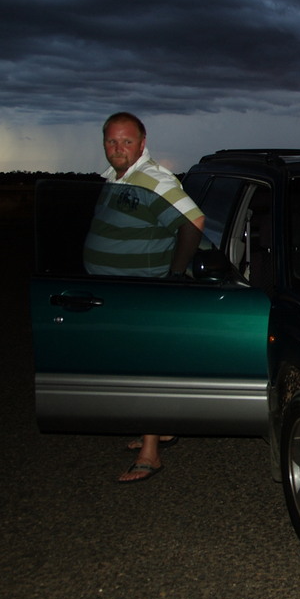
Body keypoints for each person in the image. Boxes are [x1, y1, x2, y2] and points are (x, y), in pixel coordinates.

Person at [83, 111, 205, 483]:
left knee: (144, 367)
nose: (118, 149)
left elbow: (193, 222)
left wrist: (174, 275)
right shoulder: (115, 178)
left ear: (142, 142)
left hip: (143, 289)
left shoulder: (152, 179)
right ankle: (158, 428)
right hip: (117, 291)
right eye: (112, 141)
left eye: (127, 141)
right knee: (133, 365)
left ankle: (151, 455)